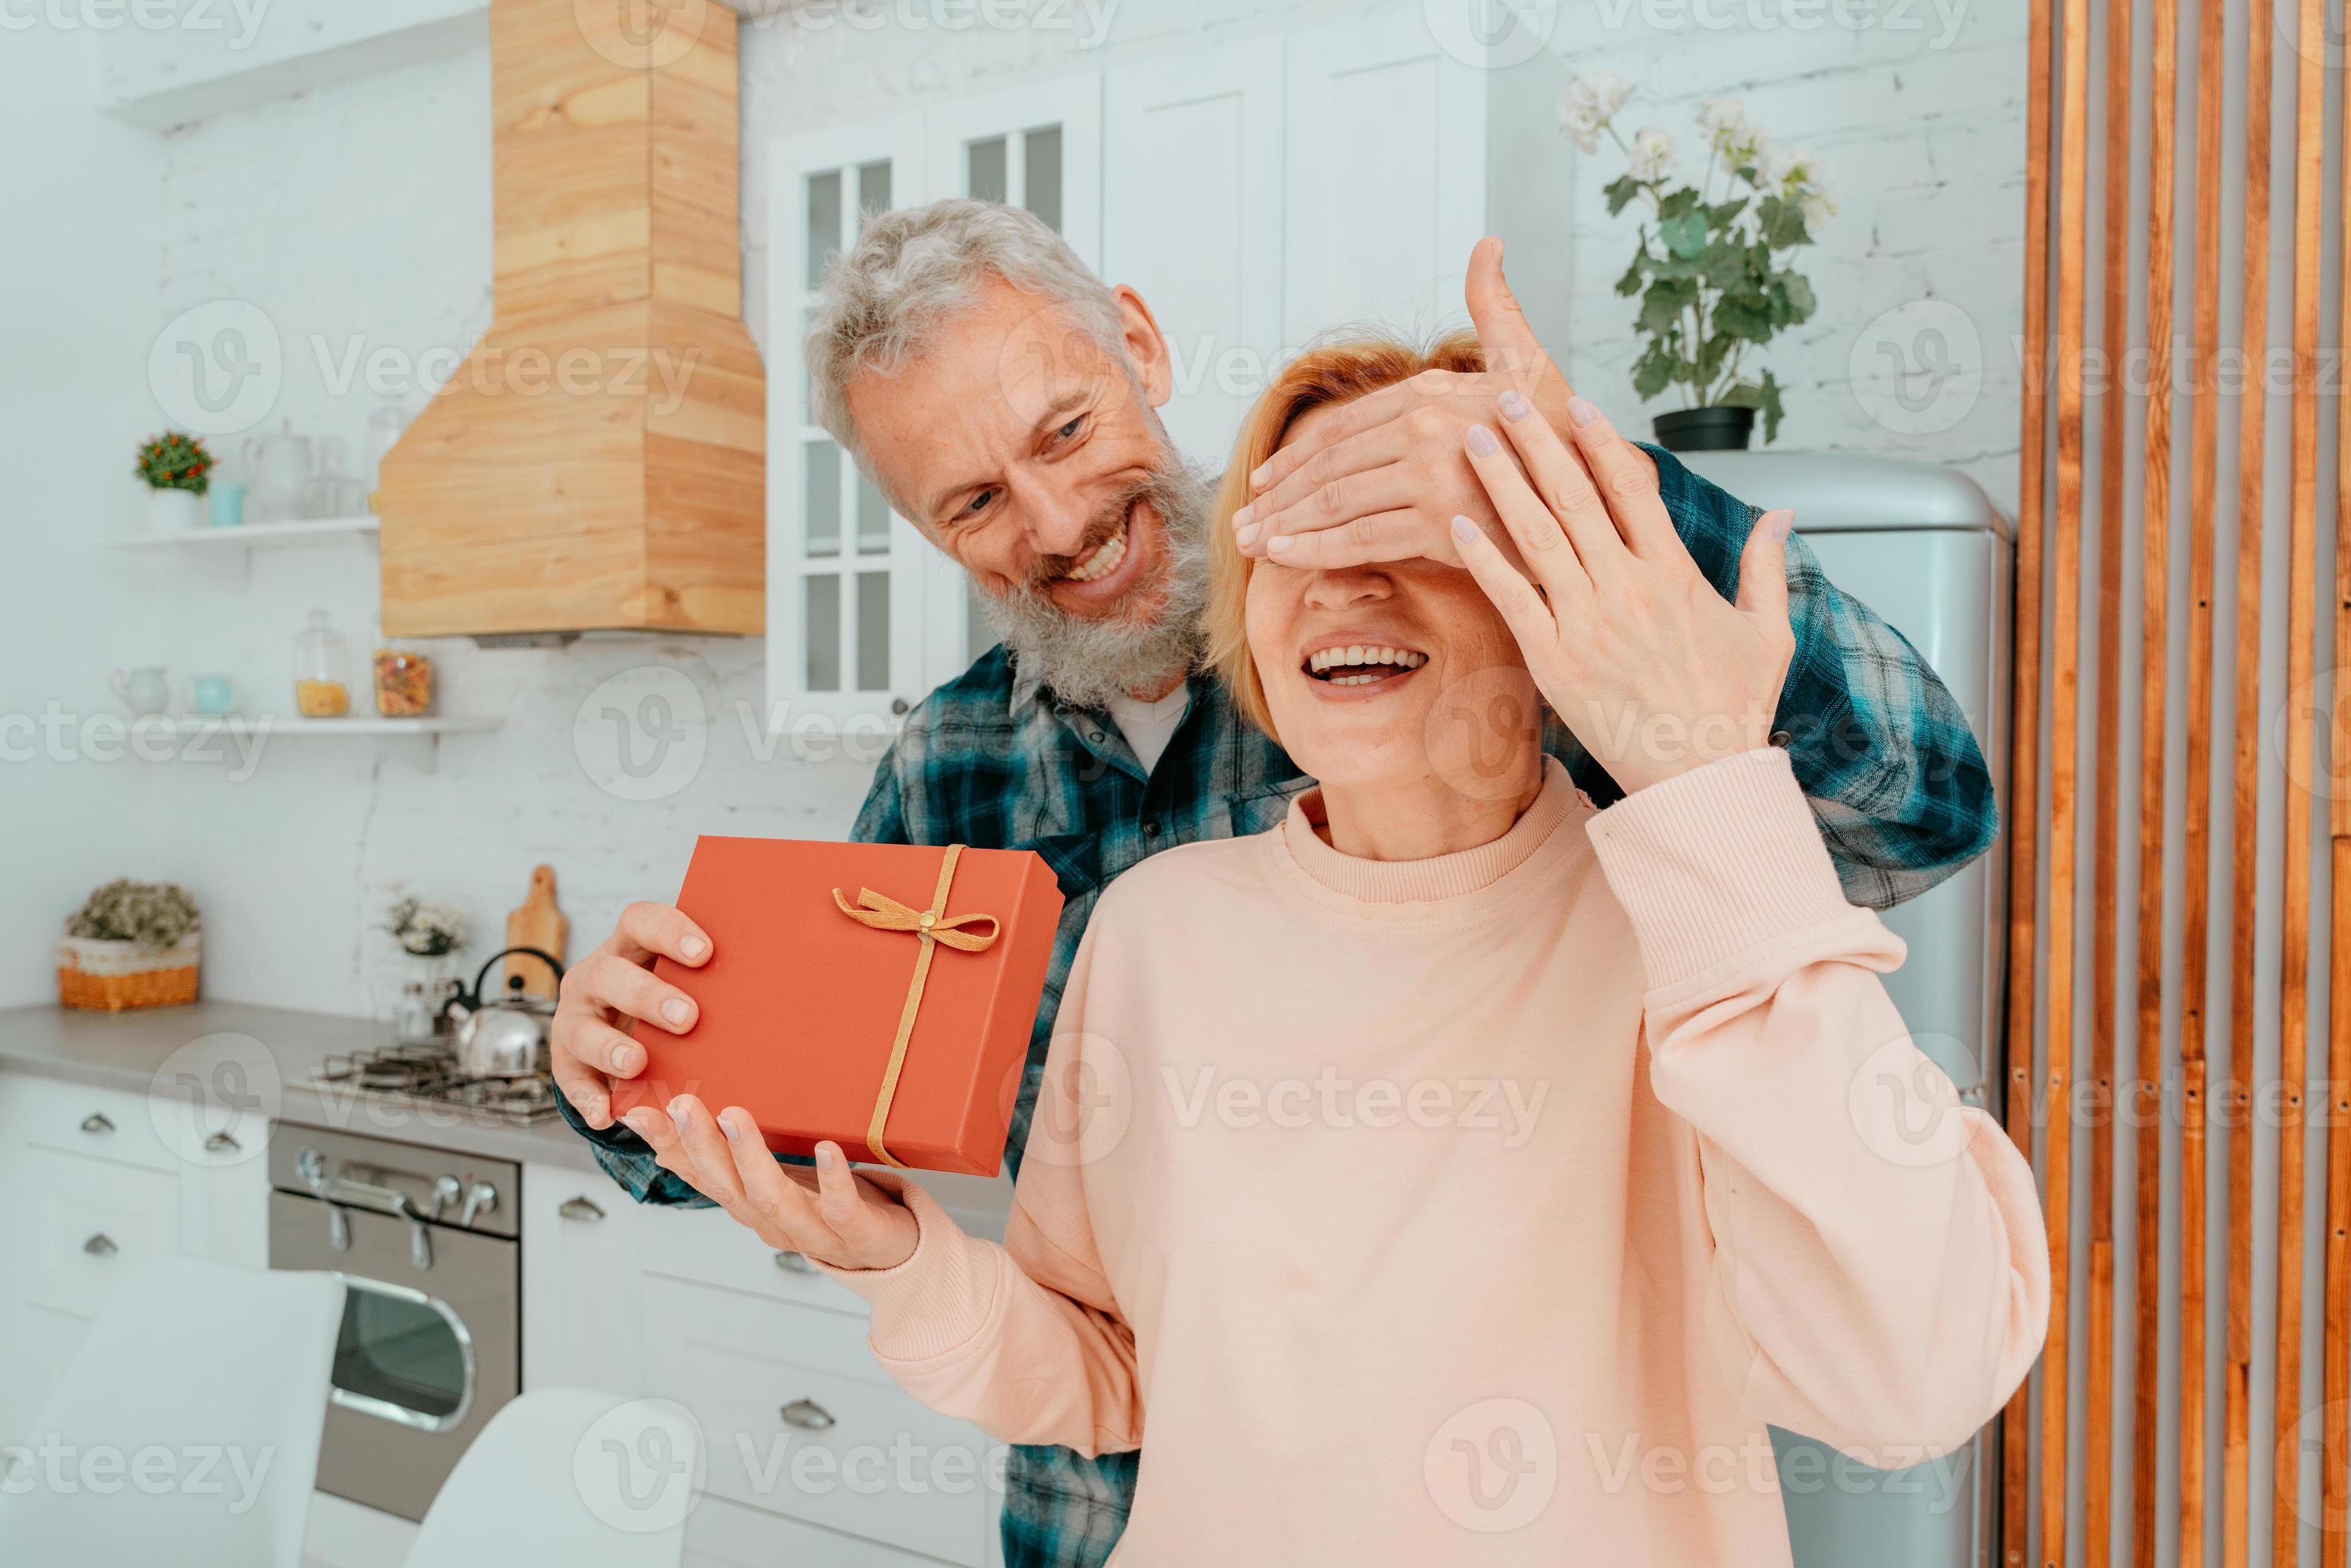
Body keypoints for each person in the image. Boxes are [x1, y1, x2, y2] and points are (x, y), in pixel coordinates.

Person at [551, 200, 2003, 1565]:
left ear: (1141, 343)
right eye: (975, 501)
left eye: (1066, 429)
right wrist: (618, 1062)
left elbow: (1922, 803)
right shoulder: (957, 769)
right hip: (1100, 1506)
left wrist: (1567, 480)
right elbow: (804, 1119)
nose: (1054, 523)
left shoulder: (1466, 676)